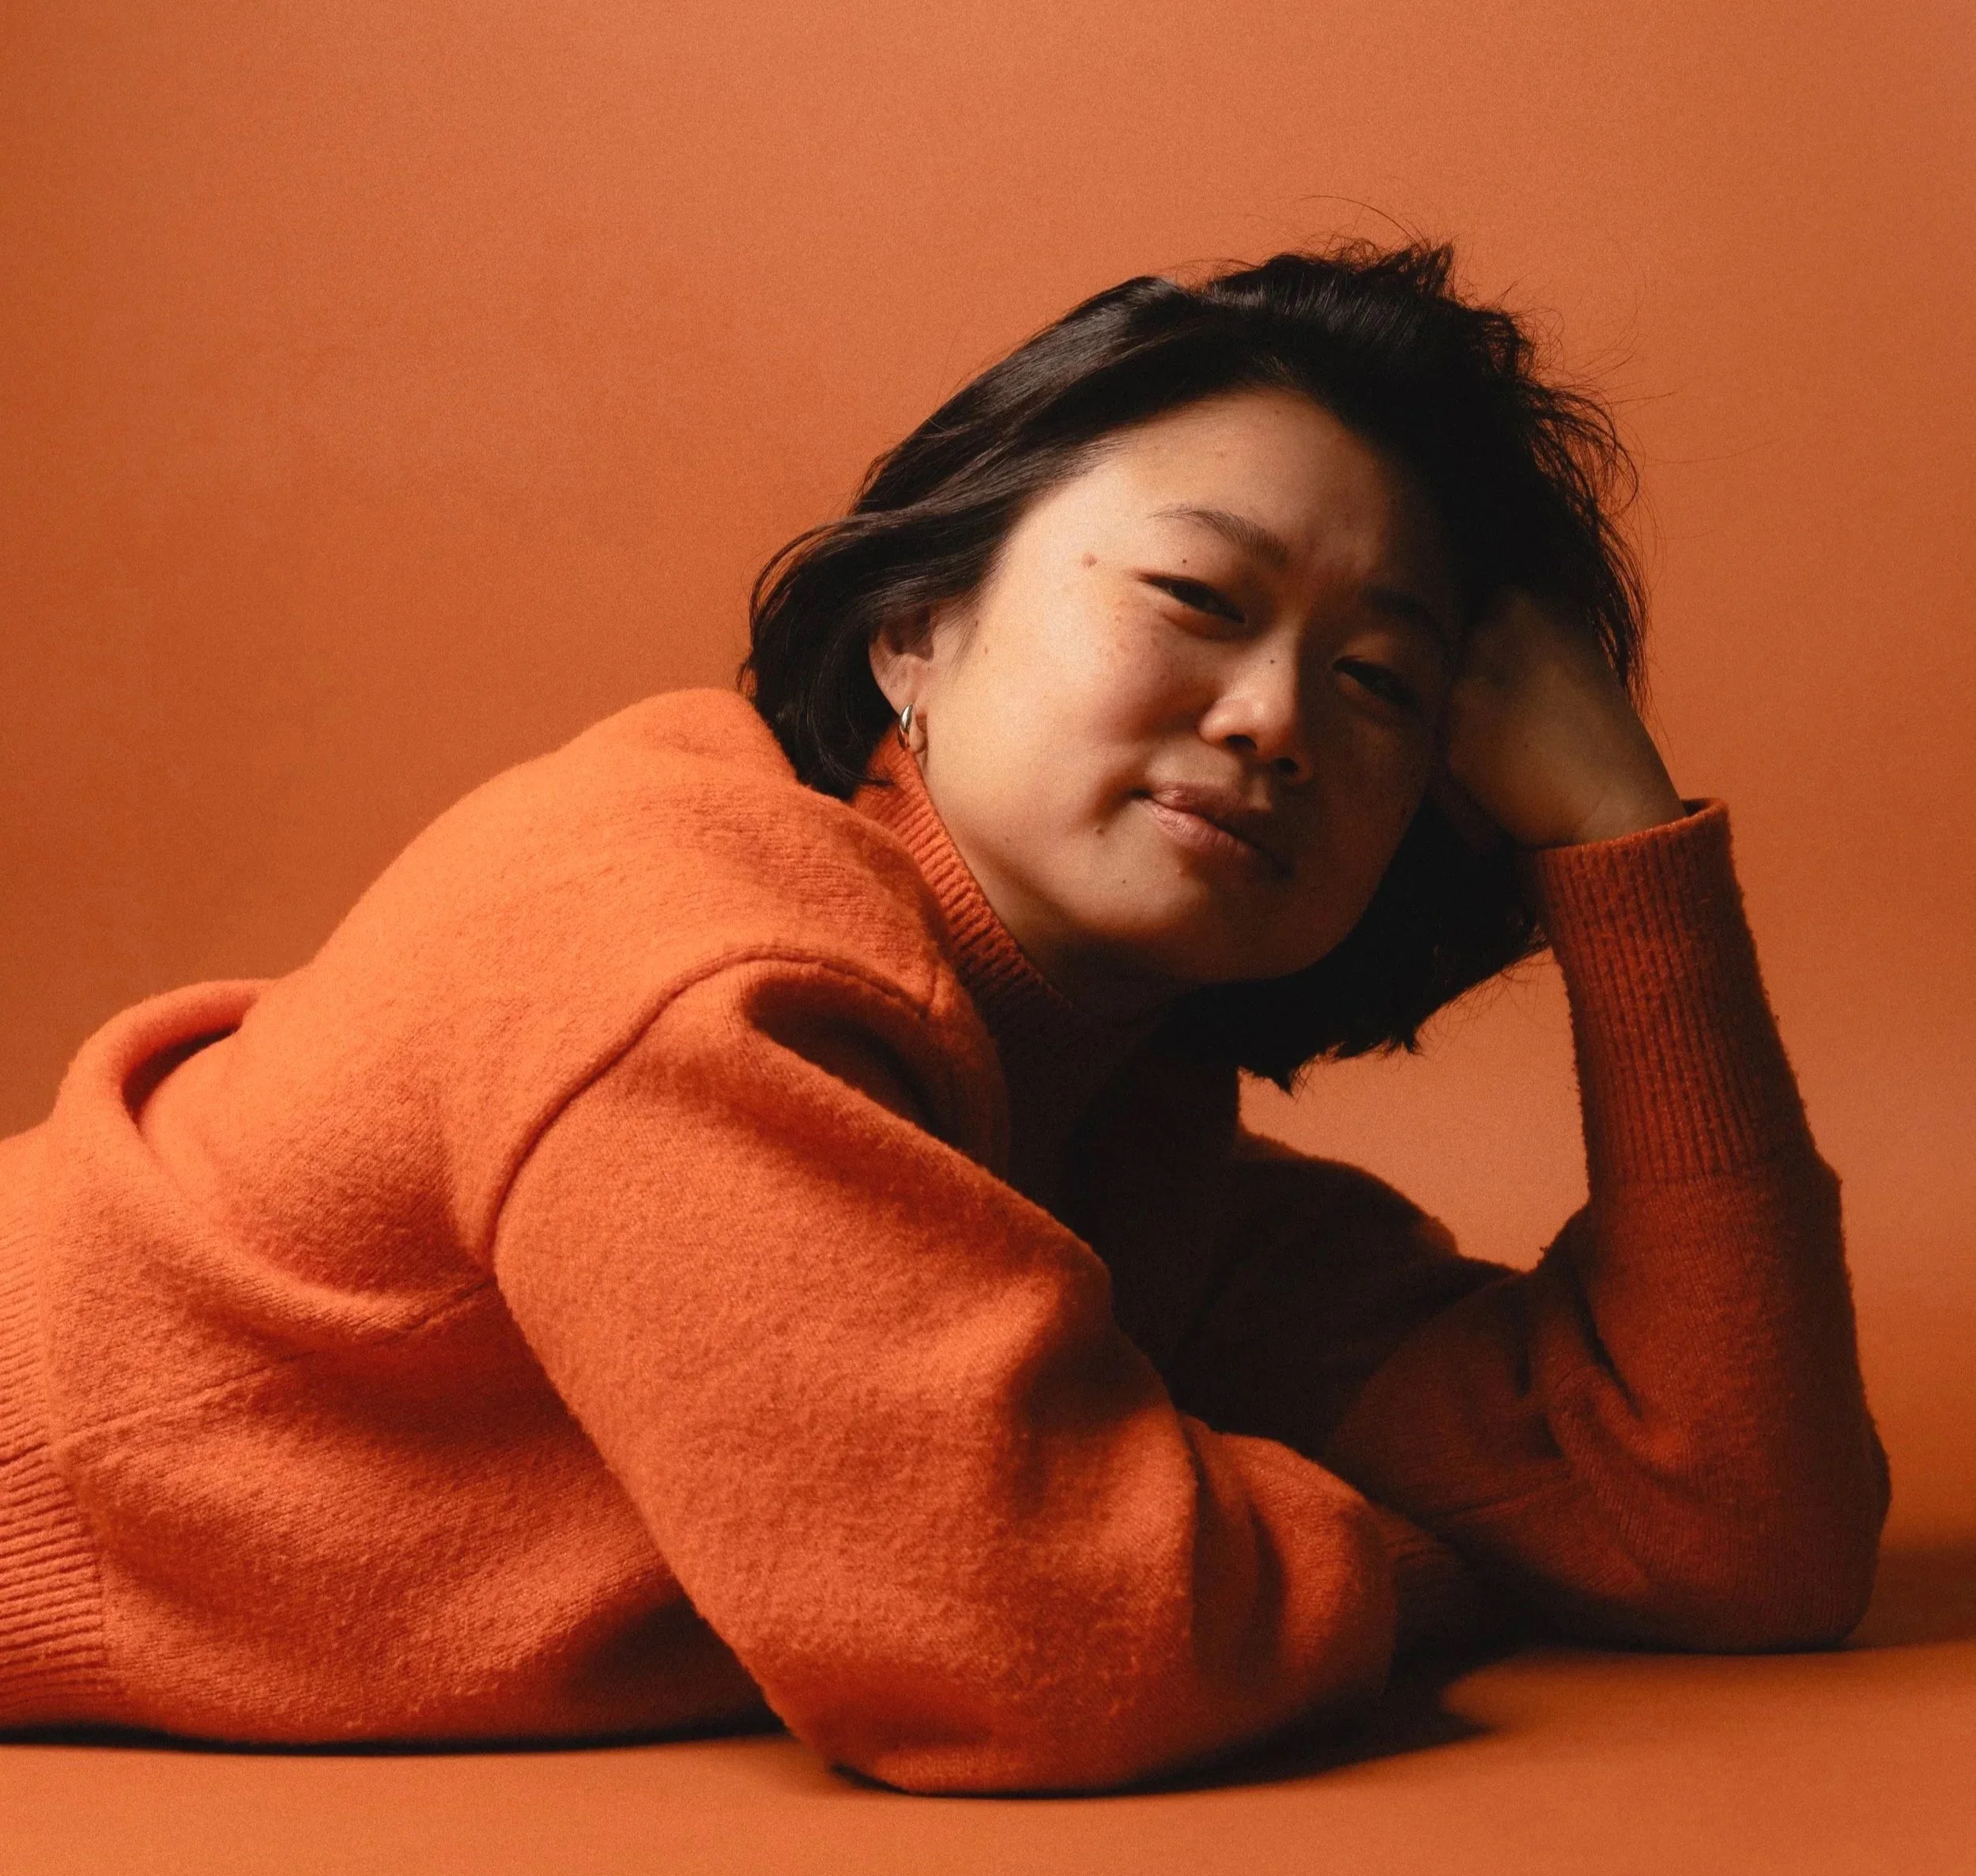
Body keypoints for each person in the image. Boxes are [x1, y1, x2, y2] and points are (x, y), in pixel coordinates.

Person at [0, 243, 1890, 1795]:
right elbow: (1041, 1647)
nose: (1273, 716)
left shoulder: (1112, 1144)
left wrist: (1628, 855)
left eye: (1382, 681)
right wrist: (1399, 1547)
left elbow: (1724, 1519)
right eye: (1192, 594)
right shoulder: (680, 944)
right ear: (915, 625)